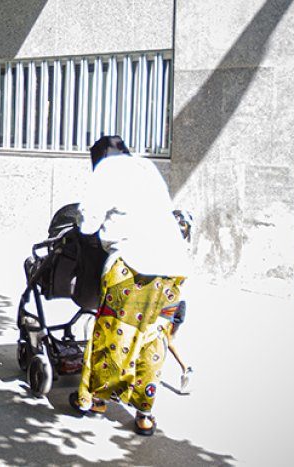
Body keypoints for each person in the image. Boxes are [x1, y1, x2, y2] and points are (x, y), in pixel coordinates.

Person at [69, 135, 191, 436]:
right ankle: (144, 415)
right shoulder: (146, 167)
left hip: (133, 264)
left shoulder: (106, 170)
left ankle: (94, 400)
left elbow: (87, 221)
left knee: (113, 336)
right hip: (173, 266)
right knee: (154, 340)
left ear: (98, 159)